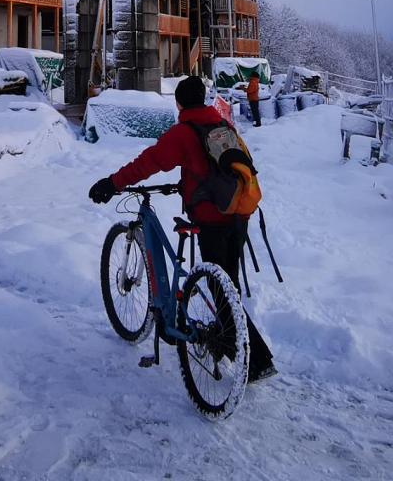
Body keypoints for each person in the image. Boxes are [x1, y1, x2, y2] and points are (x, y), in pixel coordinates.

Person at [88, 74, 276, 382]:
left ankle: (253, 360)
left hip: (211, 218)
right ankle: (236, 344)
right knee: (226, 285)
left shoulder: (184, 133)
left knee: (219, 287)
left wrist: (113, 183)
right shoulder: (222, 124)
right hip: (238, 213)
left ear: (179, 103)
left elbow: (148, 162)